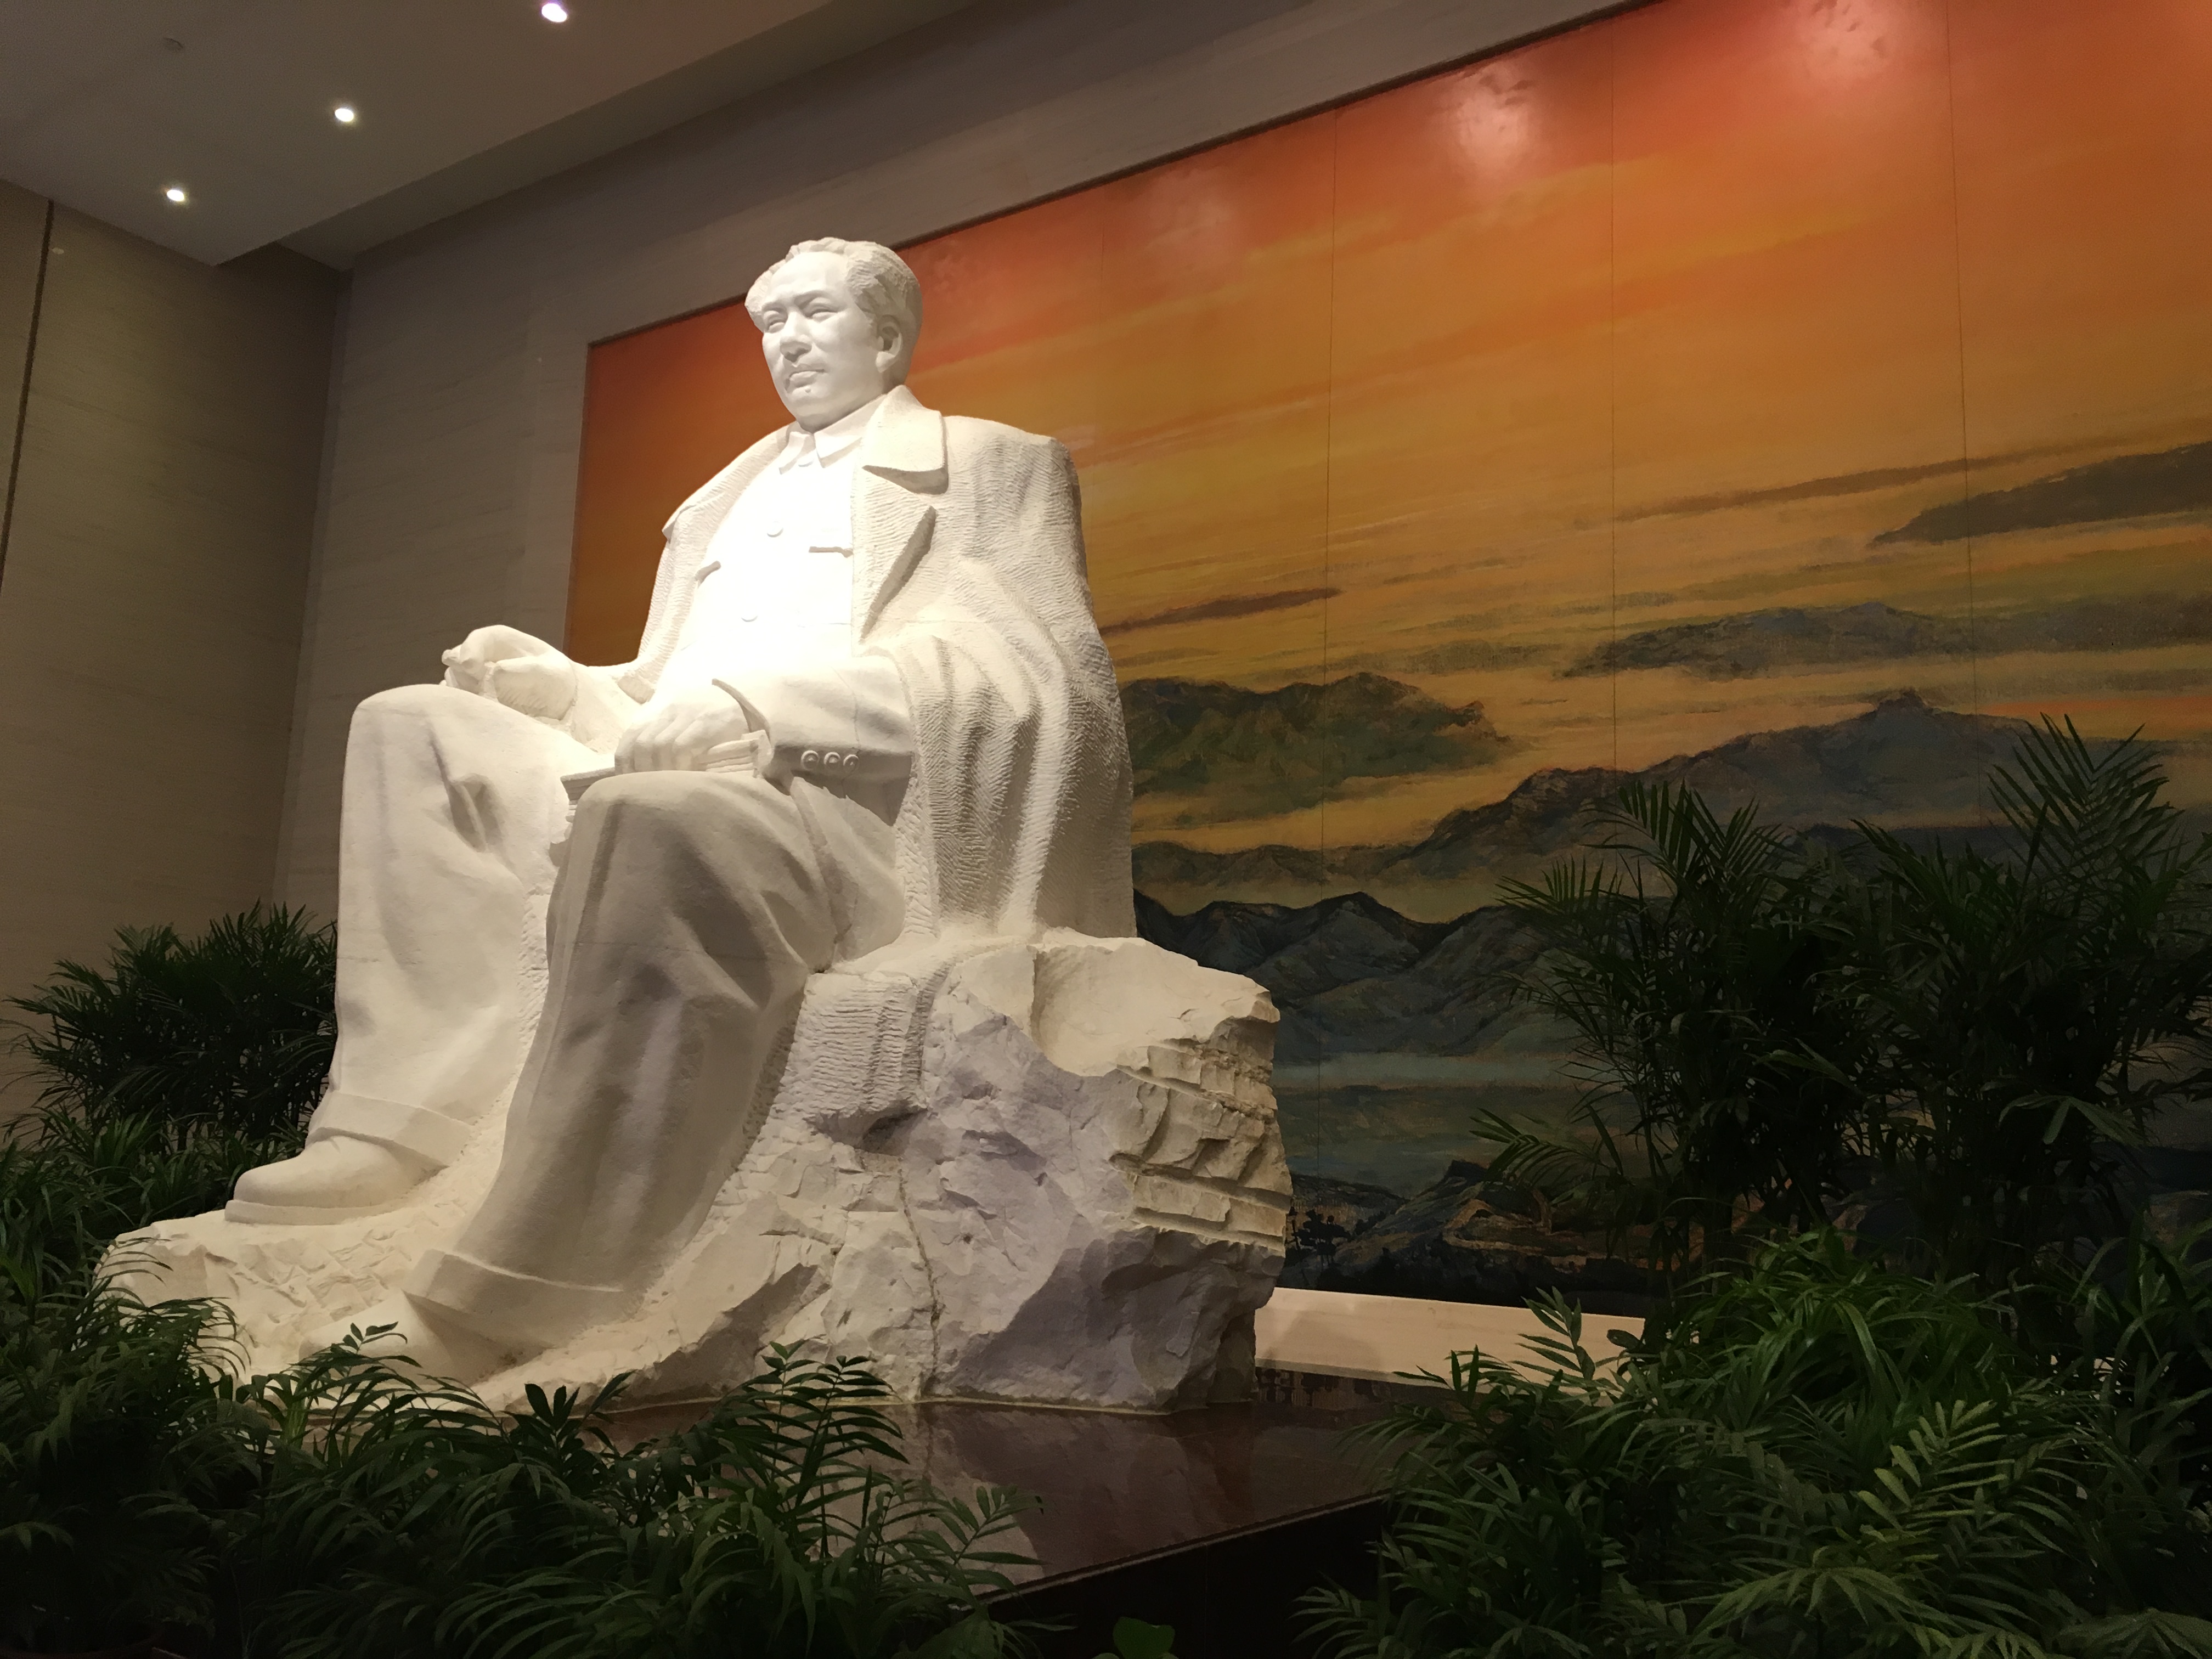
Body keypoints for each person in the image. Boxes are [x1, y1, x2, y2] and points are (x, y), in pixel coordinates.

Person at [228, 237, 1133, 1374]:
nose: (788, 341)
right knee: (410, 725)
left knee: (657, 821)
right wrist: (564, 687)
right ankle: (399, 1125)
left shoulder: (991, 464)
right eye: (772, 322)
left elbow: (1039, 681)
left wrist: (765, 709)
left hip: (839, 814)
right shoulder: (720, 504)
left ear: (889, 335)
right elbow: (660, 696)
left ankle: (507, 1298)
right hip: (662, 775)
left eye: (815, 313)